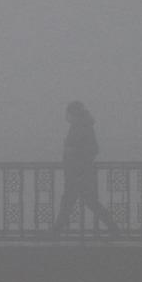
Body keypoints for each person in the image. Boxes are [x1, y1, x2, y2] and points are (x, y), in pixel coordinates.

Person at [50, 101, 120, 237]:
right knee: (84, 202)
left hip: (78, 173)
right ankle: (114, 228)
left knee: (72, 202)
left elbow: (93, 149)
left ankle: (56, 230)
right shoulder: (80, 126)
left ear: (74, 113)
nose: (67, 116)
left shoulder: (82, 127)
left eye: (68, 113)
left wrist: (72, 151)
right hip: (78, 173)